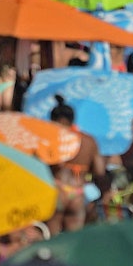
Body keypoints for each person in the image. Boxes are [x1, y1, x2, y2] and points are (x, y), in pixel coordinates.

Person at [47, 97, 105, 234]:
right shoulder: (89, 141)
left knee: (52, 238)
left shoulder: (54, 138)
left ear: (58, 121)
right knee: (73, 238)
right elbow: (100, 171)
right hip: (78, 193)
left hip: (58, 190)